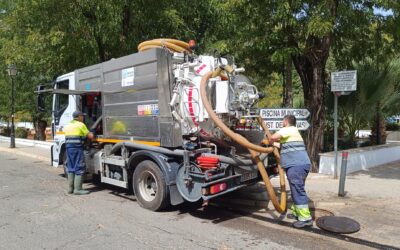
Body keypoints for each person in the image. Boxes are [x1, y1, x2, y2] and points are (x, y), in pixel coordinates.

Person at [270, 115, 313, 228]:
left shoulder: (288, 129)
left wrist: (269, 139)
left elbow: (273, 137)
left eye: (282, 121)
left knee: (297, 191)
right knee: (296, 190)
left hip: (296, 166)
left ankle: (305, 219)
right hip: (300, 165)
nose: (282, 122)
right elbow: (281, 145)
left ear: (286, 121)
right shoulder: (293, 132)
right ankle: (297, 213)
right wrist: (273, 143)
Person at [64, 111, 94, 195]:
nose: (83, 117)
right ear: (79, 117)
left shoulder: (68, 125)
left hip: (68, 149)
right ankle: (78, 189)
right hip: (77, 149)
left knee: (71, 167)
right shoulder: (81, 124)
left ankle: (70, 189)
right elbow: (90, 136)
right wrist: (91, 132)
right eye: (82, 116)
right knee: (79, 167)